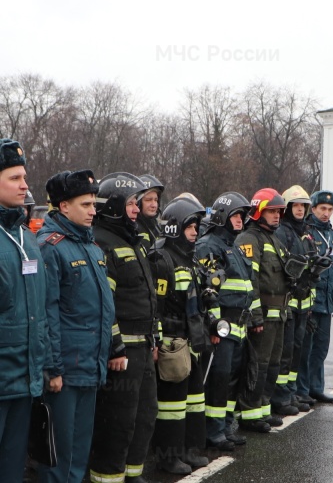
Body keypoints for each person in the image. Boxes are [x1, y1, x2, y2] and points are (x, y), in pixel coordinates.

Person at [37, 170, 115, 483]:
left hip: (89, 367)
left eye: (93, 203)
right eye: (85, 204)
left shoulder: (92, 248)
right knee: (59, 454)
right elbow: (47, 313)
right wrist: (53, 369)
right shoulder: (51, 247)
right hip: (65, 371)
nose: (93, 210)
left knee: (79, 451)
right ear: (64, 206)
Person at [89, 172, 159, 483]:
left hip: (143, 347)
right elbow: (106, 305)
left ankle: (132, 475)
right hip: (123, 354)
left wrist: (154, 338)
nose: (136, 208)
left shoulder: (134, 241)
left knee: (144, 416)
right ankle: (108, 477)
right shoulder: (103, 243)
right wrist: (115, 347)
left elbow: (148, 295)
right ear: (114, 206)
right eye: (131, 202)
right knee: (117, 421)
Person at [150, 195, 210, 474]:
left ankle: (190, 450)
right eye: (190, 227)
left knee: (195, 400)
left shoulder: (189, 258)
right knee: (172, 404)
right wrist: (160, 340)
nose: (195, 232)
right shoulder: (163, 259)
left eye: (197, 227)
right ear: (175, 228)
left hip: (193, 341)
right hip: (173, 342)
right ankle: (168, 457)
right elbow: (158, 306)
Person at [195, 192, 260, 448]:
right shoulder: (209, 245)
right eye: (235, 215)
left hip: (239, 327)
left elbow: (247, 286)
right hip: (222, 329)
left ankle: (225, 425)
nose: (240, 220)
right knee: (218, 381)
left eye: (242, 216)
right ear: (222, 216)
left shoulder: (233, 247)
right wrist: (214, 325)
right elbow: (207, 292)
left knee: (233, 380)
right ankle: (213, 432)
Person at [0, 139, 48, 482]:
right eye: (15, 177)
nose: (25, 185)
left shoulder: (25, 236)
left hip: (22, 379)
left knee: (13, 469)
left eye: (25, 177)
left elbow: (39, 308)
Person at [235, 188, 293, 429]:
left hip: (278, 315)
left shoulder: (274, 240)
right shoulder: (250, 238)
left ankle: (263, 408)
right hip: (263, 317)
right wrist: (256, 316)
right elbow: (251, 281)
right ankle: (249, 413)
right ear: (259, 211)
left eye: (279, 212)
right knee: (257, 365)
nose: (277, 216)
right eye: (271, 211)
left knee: (272, 365)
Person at [272, 185, 317, 415]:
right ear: (288, 208)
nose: (300, 209)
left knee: (297, 351)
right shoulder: (283, 232)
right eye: (296, 205)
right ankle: (281, 397)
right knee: (285, 352)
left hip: (303, 305)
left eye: (303, 206)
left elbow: (310, 268)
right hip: (288, 304)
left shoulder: (306, 233)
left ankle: (291, 393)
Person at [297, 190, 333, 405]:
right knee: (307, 348)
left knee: (321, 348)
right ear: (313, 209)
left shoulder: (331, 234)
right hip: (311, 301)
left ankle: (317, 388)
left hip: (327, 301)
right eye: (323, 209)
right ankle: (303, 389)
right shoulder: (307, 232)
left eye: (330, 209)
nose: (326, 213)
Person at [137, 174, 164, 252]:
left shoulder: (156, 226)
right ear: (138, 202)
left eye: (156, 200)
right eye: (148, 200)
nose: (154, 205)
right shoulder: (134, 228)